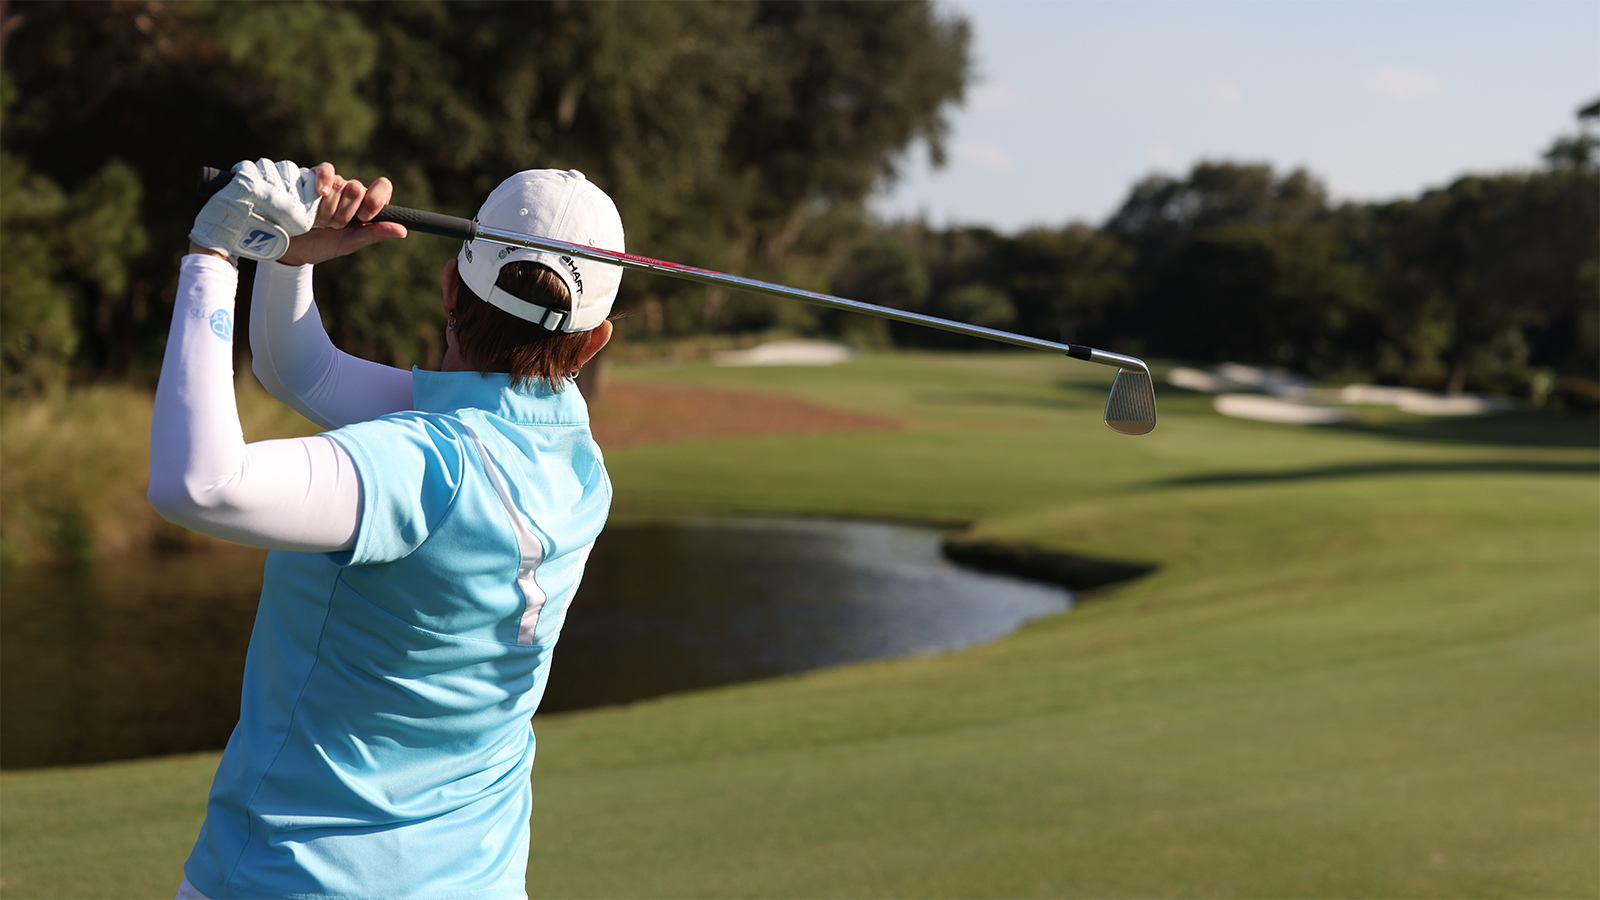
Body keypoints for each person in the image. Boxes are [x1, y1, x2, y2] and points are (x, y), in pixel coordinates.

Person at [148, 158, 624, 900]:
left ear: (448, 287)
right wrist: (283, 258)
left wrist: (213, 255)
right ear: (593, 343)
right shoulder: (579, 467)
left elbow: (198, 484)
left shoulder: (422, 464)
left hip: (291, 881)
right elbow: (303, 373)